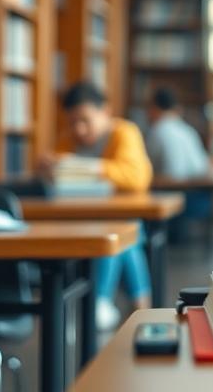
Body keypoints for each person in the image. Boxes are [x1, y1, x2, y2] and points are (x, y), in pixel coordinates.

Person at [42, 81, 154, 329]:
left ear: (105, 111)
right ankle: (137, 306)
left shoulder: (124, 132)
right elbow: (57, 178)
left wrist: (89, 167)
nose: (79, 129)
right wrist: (50, 168)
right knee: (125, 235)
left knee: (119, 232)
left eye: (85, 120)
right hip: (78, 220)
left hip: (116, 217)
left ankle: (101, 301)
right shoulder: (68, 140)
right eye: (72, 123)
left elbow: (137, 178)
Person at [144, 87, 213, 242]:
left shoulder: (157, 131)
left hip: (175, 201)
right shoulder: (187, 130)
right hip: (200, 198)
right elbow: (203, 166)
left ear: (154, 108)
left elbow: (167, 175)